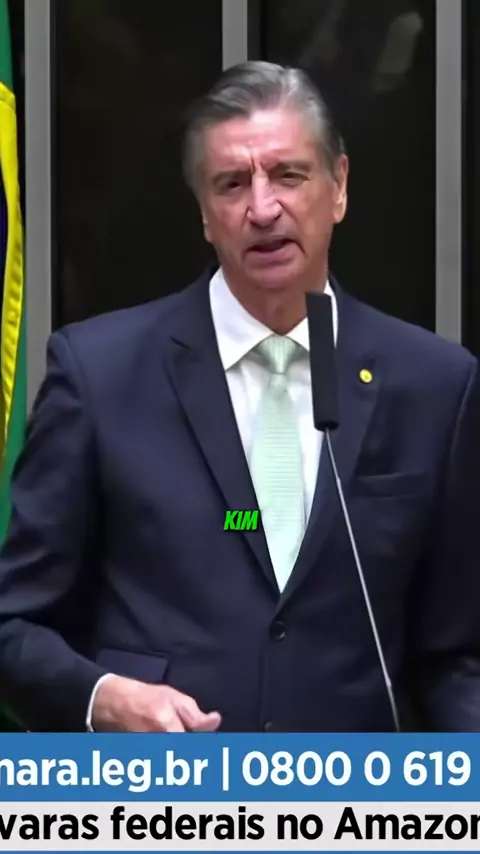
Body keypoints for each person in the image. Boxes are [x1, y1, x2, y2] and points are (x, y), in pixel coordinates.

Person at [0, 61, 480, 733]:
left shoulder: (433, 384)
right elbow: (14, 624)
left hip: (358, 793)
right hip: (163, 791)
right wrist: (102, 697)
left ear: (339, 186)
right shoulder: (99, 375)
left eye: (288, 175)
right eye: (232, 184)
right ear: (204, 213)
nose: (262, 208)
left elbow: (456, 654)